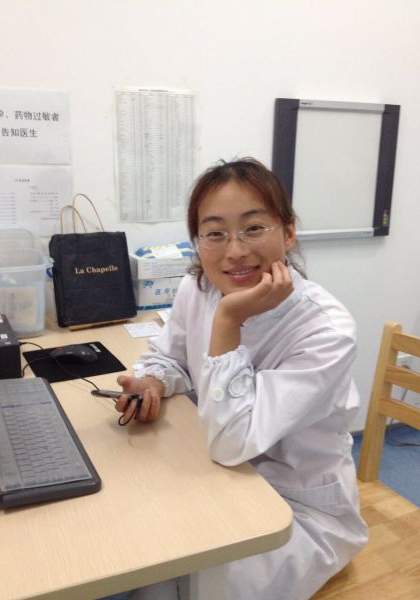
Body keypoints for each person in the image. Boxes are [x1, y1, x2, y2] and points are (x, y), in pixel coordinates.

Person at [114, 158, 368, 600]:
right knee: (142, 552)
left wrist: (228, 320)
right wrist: (152, 383)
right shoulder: (198, 289)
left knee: (187, 588)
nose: (234, 251)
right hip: (219, 478)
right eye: (215, 233)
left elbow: (234, 443)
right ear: (198, 242)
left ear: (288, 233)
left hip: (296, 507)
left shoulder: (326, 331)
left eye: (253, 228)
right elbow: (171, 357)